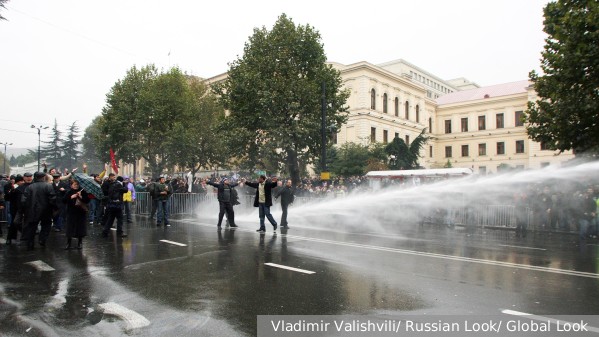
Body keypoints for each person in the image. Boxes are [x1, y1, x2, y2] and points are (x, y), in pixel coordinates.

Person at [22, 172, 57, 250]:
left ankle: (30, 244)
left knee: (32, 228)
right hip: (46, 210)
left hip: (32, 210)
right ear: (43, 177)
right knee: (46, 225)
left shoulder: (29, 187)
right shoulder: (48, 186)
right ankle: (42, 239)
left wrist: (26, 210)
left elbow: (24, 200)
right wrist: (54, 208)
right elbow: (52, 198)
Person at [63, 179, 90, 249]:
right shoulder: (69, 192)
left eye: (77, 184)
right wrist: (71, 197)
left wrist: (81, 197)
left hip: (81, 212)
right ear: (71, 185)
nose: (76, 186)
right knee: (70, 227)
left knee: (80, 227)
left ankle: (80, 242)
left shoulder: (83, 191)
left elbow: (87, 200)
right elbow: (64, 200)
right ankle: (68, 242)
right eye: (74, 184)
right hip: (71, 212)